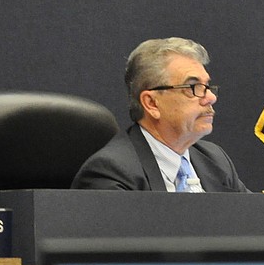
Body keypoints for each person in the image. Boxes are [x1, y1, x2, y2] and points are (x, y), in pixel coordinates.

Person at [72, 37, 251, 193]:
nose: (210, 97)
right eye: (193, 87)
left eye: (207, 87)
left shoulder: (215, 160)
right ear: (152, 103)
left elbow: (253, 224)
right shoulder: (111, 173)